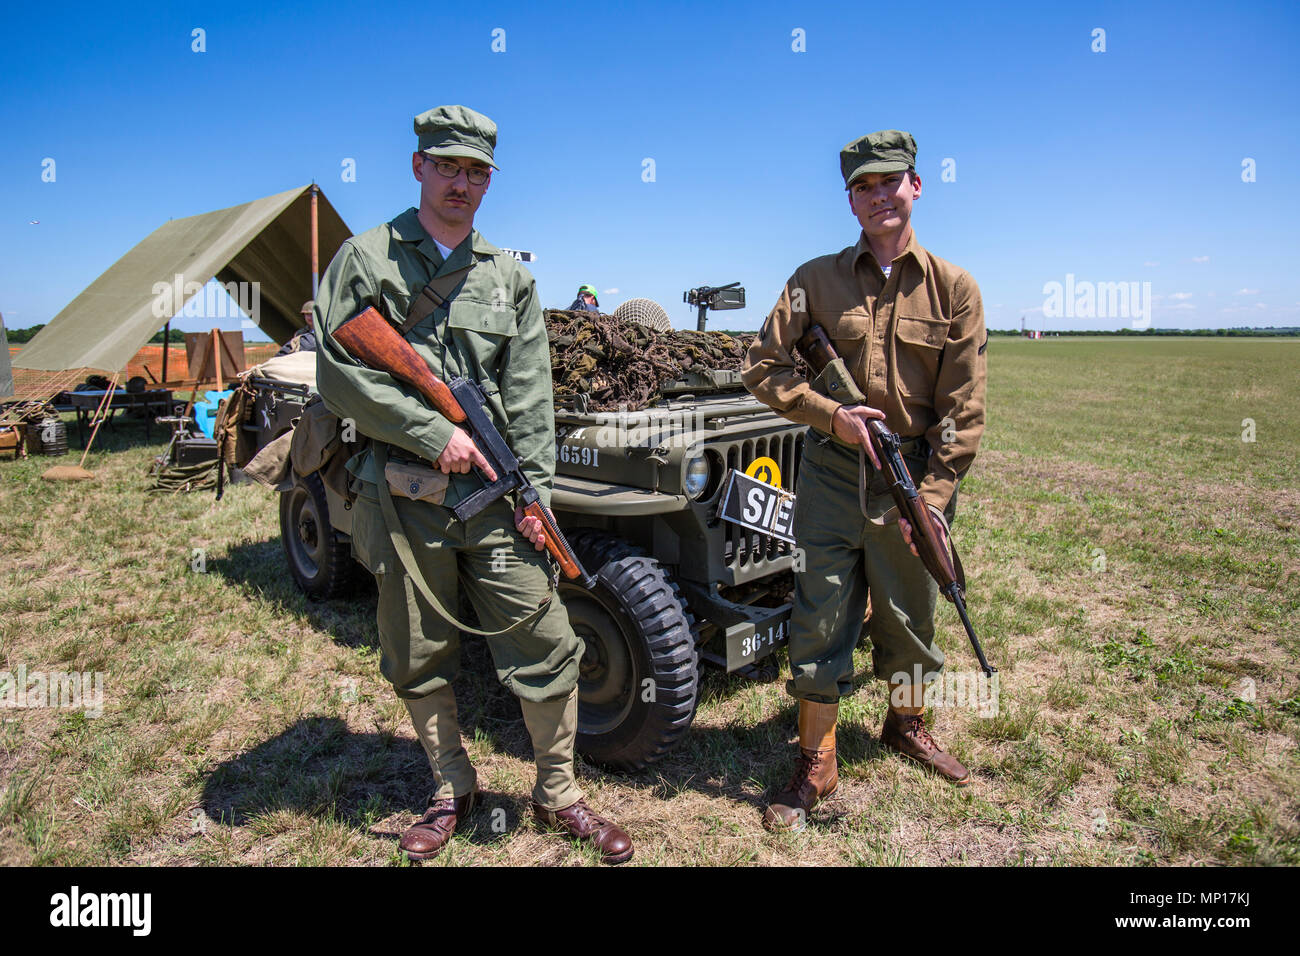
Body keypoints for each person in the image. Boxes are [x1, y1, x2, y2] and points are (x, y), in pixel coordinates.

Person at [314, 105, 632, 864]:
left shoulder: (509, 278)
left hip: (494, 500)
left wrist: (536, 499)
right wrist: (433, 433)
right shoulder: (365, 259)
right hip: (403, 492)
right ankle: (452, 788)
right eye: (448, 166)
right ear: (418, 165)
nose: (462, 182)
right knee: (418, 649)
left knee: (548, 639)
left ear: (491, 178)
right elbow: (338, 374)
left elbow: (529, 400)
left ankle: (558, 794)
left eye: (477, 170)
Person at [741, 130, 987, 830]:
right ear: (849, 198)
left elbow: (964, 414)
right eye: (863, 186)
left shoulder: (954, 288)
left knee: (910, 609)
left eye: (891, 182)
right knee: (820, 608)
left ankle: (906, 725)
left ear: (917, 185)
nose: (879, 196)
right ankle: (816, 758)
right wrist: (831, 415)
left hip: (907, 472)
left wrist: (930, 502)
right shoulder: (814, 279)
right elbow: (762, 365)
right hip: (830, 466)